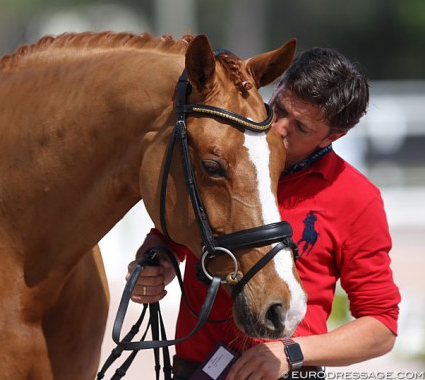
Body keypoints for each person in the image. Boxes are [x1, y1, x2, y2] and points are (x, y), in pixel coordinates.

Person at [127, 47, 400, 380]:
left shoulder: (358, 199)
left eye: (300, 127)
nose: (279, 128)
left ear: (333, 136)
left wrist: (293, 352)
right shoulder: (228, 160)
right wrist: (157, 263)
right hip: (196, 371)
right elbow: (174, 235)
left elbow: (382, 326)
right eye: (280, 107)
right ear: (279, 84)